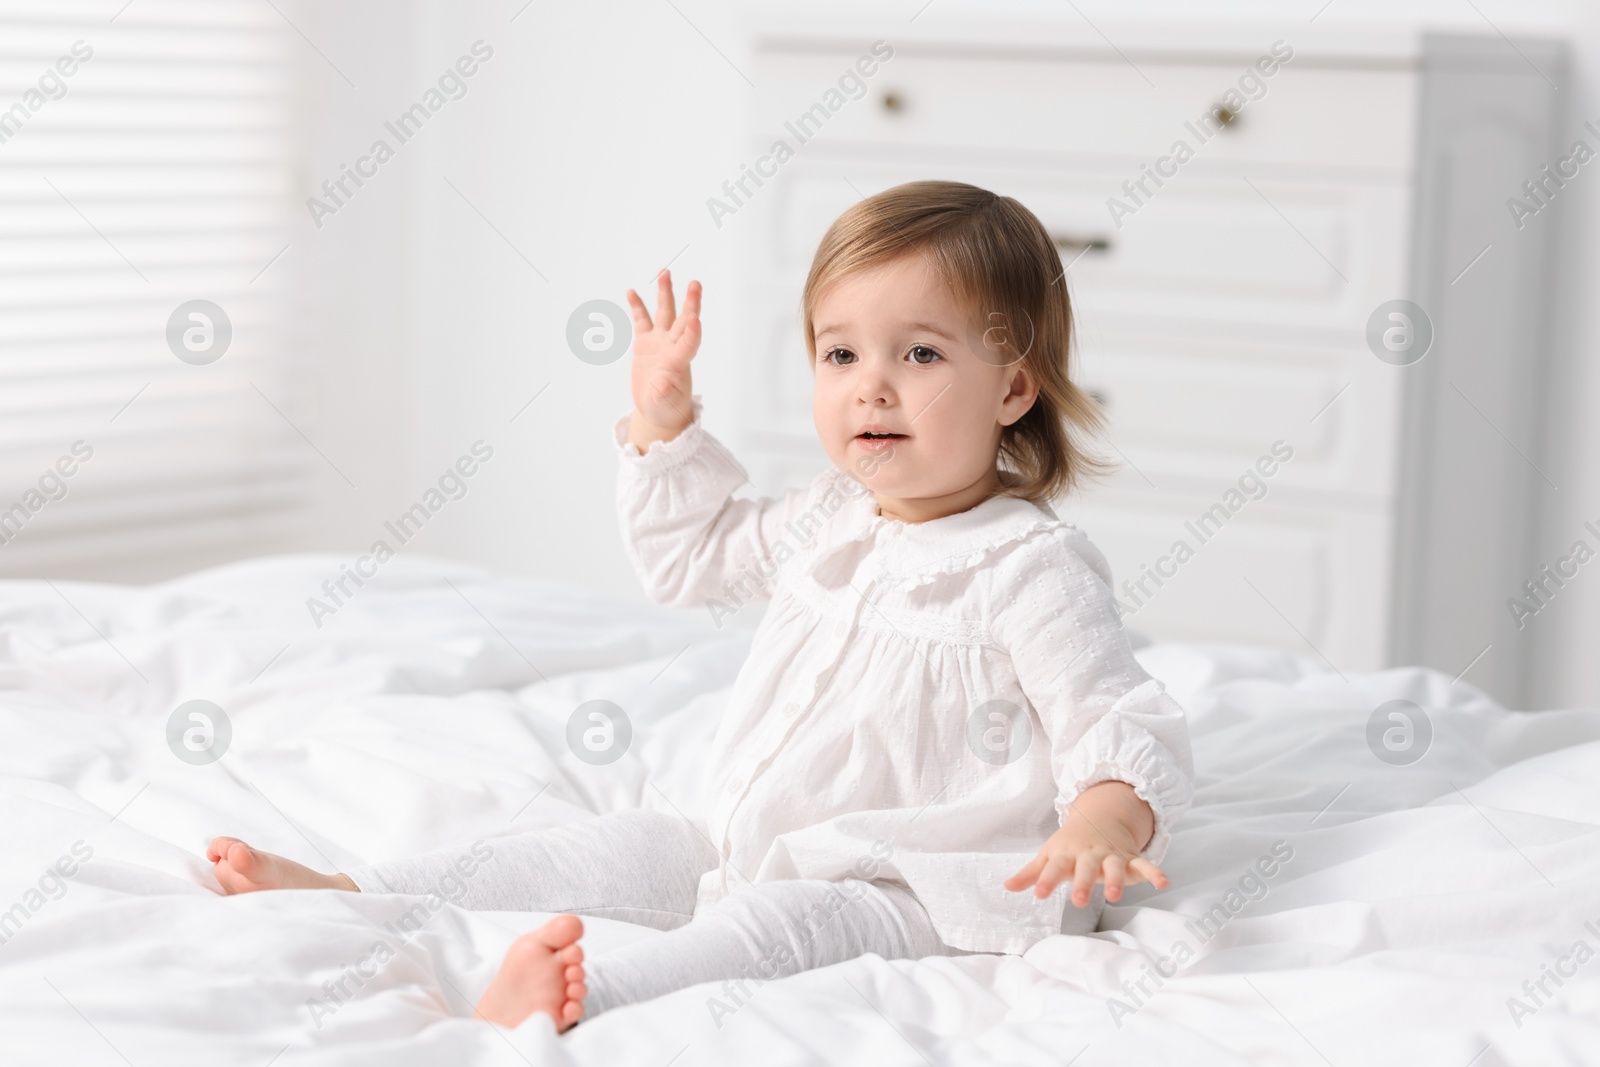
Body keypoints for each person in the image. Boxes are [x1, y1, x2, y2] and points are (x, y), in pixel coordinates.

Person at [205, 180, 1196, 1032]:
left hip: (924, 880)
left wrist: (1104, 820)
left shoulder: (1031, 564)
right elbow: (695, 561)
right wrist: (663, 419)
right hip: (758, 831)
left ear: (1014, 385)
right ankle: (357, 892)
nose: (872, 389)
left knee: (779, 927)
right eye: (840, 355)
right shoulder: (831, 515)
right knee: (625, 844)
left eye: (921, 355)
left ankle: (580, 998)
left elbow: (1110, 717)